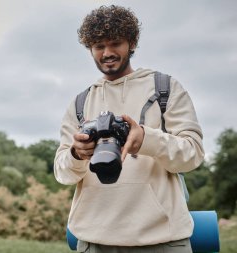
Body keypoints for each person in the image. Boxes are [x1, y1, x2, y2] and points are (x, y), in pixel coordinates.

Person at [54, 5, 204, 253]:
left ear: (132, 43)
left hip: (162, 240)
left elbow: (193, 155)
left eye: (115, 43)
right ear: (90, 49)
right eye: (99, 46)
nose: (107, 52)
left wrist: (146, 139)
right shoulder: (79, 103)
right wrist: (76, 154)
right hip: (93, 241)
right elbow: (63, 173)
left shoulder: (165, 89)